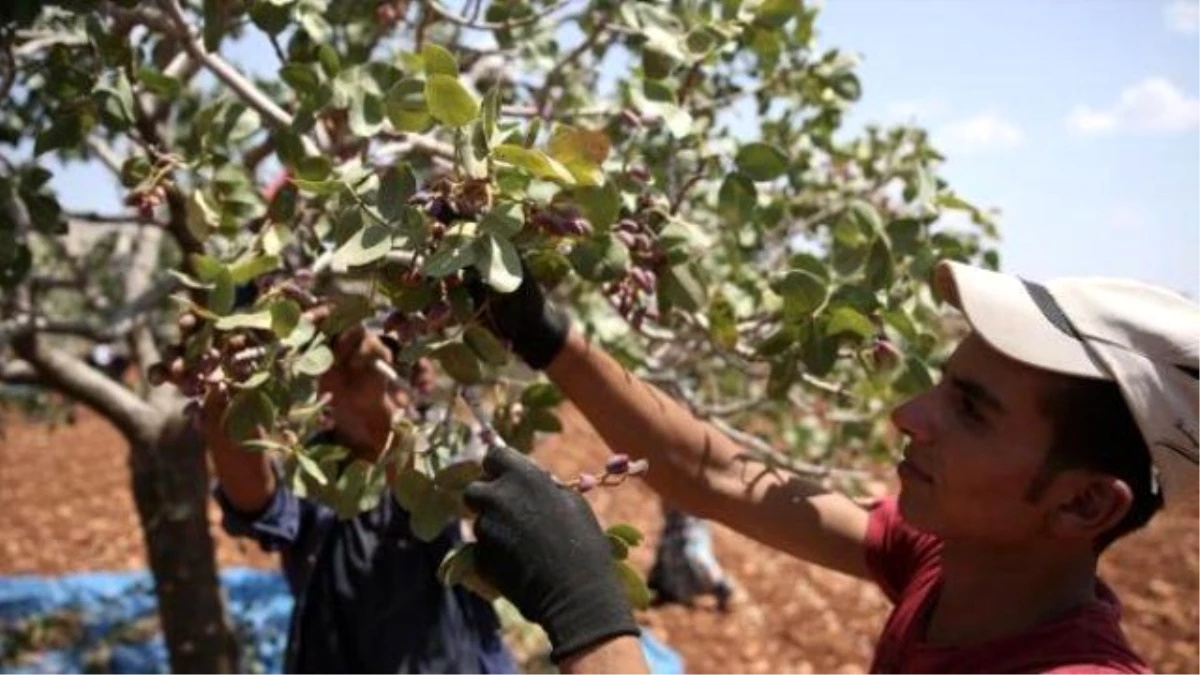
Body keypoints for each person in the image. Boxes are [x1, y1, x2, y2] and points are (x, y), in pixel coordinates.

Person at [462, 259, 1200, 673]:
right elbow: (714, 473)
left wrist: (589, 619)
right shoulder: (948, 566)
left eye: (971, 409)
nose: (910, 414)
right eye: (942, 384)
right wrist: (548, 337)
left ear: (1084, 505)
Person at [200, 318, 517, 674]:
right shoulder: (312, 468)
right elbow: (257, 504)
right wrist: (221, 403)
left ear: (422, 377)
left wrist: (377, 416)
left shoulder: (454, 446)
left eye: (396, 363)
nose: (379, 377)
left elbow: (430, 498)